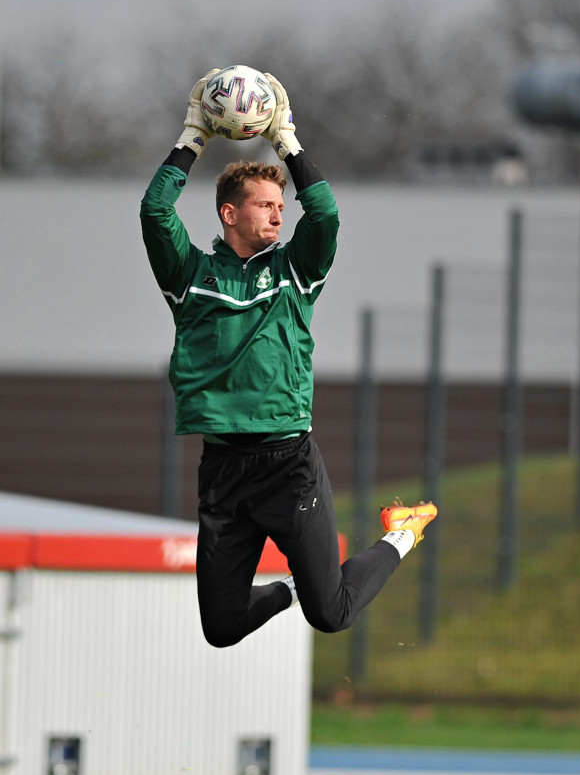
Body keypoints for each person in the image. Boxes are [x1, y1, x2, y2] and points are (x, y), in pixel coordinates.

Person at [139, 69, 437, 647]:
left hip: (287, 462)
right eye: (266, 206)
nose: (280, 215)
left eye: (282, 204)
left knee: (333, 613)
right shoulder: (191, 274)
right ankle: (291, 589)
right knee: (221, 628)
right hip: (223, 470)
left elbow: (323, 215)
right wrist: (194, 136)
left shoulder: (294, 272)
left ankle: (401, 534)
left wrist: (287, 140)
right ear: (230, 214)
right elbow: (155, 212)